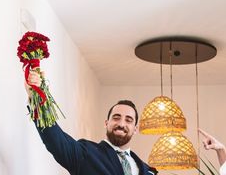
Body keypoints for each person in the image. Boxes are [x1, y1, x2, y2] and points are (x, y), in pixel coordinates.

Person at [25, 70, 157, 175]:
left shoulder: (146, 169)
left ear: (135, 128)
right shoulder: (85, 153)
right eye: (116, 117)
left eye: (128, 120)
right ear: (106, 123)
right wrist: (36, 97)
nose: (121, 124)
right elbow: (55, 138)